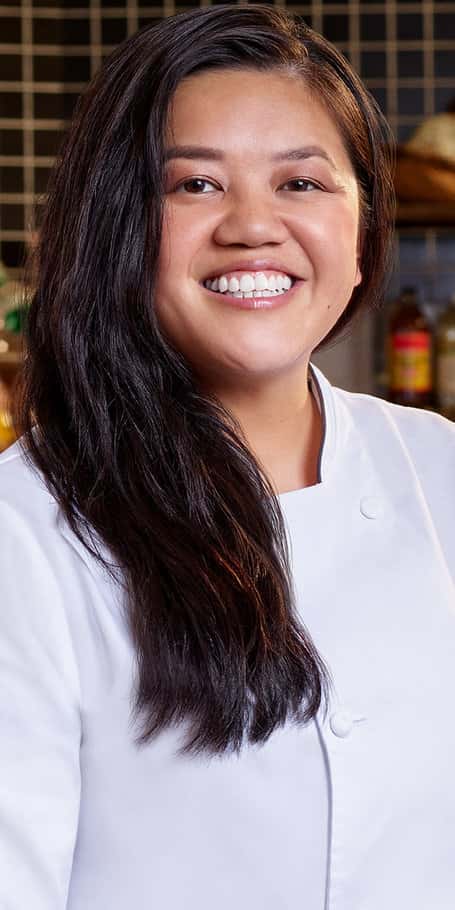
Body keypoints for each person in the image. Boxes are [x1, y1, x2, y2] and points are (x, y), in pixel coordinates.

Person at [1, 5, 454, 909]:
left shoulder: (439, 471)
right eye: (196, 185)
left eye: (301, 182)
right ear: (118, 226)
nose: (253, 226)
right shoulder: (27, 533)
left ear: (362, 232)